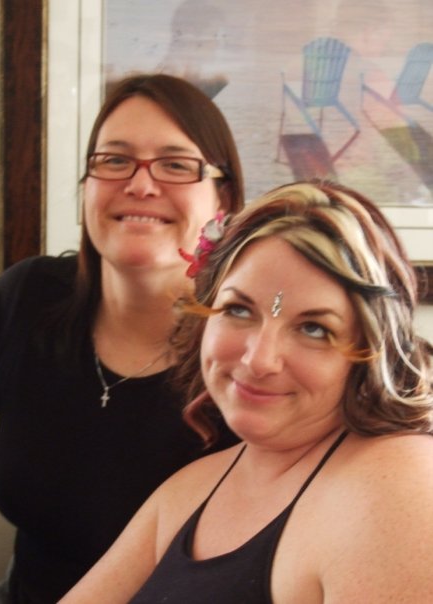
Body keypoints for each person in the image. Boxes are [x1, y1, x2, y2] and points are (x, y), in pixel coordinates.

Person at [60, 180, 433, 603]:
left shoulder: (400, 486)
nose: (259, 360)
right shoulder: (191, 491)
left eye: (314, 329)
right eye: (238, 309)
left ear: (369, 354)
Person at [0, 72, 244, 603]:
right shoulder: (27, 297)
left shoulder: (252, 349)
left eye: (175, 164)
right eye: (115, 160)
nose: (141, 185)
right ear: (87, 186)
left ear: (223, 200)